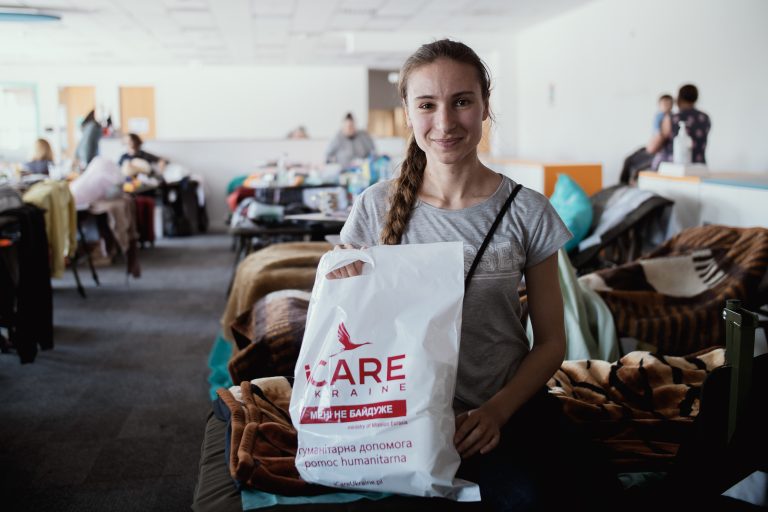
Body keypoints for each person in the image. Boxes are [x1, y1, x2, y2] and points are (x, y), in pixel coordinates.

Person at [328, 39, 620, 511]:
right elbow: (347, 330)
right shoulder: (374, 206)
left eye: (461, 102)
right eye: (427, 105)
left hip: (504, 410)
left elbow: (551, 342)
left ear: (485, 107)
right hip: (401, 417)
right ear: (408, 113)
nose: (445, 123)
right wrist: (341, 279)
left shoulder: (528, 210)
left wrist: (497, 411)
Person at [649, 84, 711, 169]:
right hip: (699, 166)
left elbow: (652, 148)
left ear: (678, 98)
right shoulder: (705, 118)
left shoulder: (672, 118)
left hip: (671, 167)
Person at [619, 93, 673, 184]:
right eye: (664, 104)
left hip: (658, 150)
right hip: (652, 146)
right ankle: (623, 185)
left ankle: (628, 183)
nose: (666, 106)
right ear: (659, 105)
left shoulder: (671, 118)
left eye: (668, 104)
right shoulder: (659, 116)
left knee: (637, 167)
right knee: (628, 160)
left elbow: (659, 138)